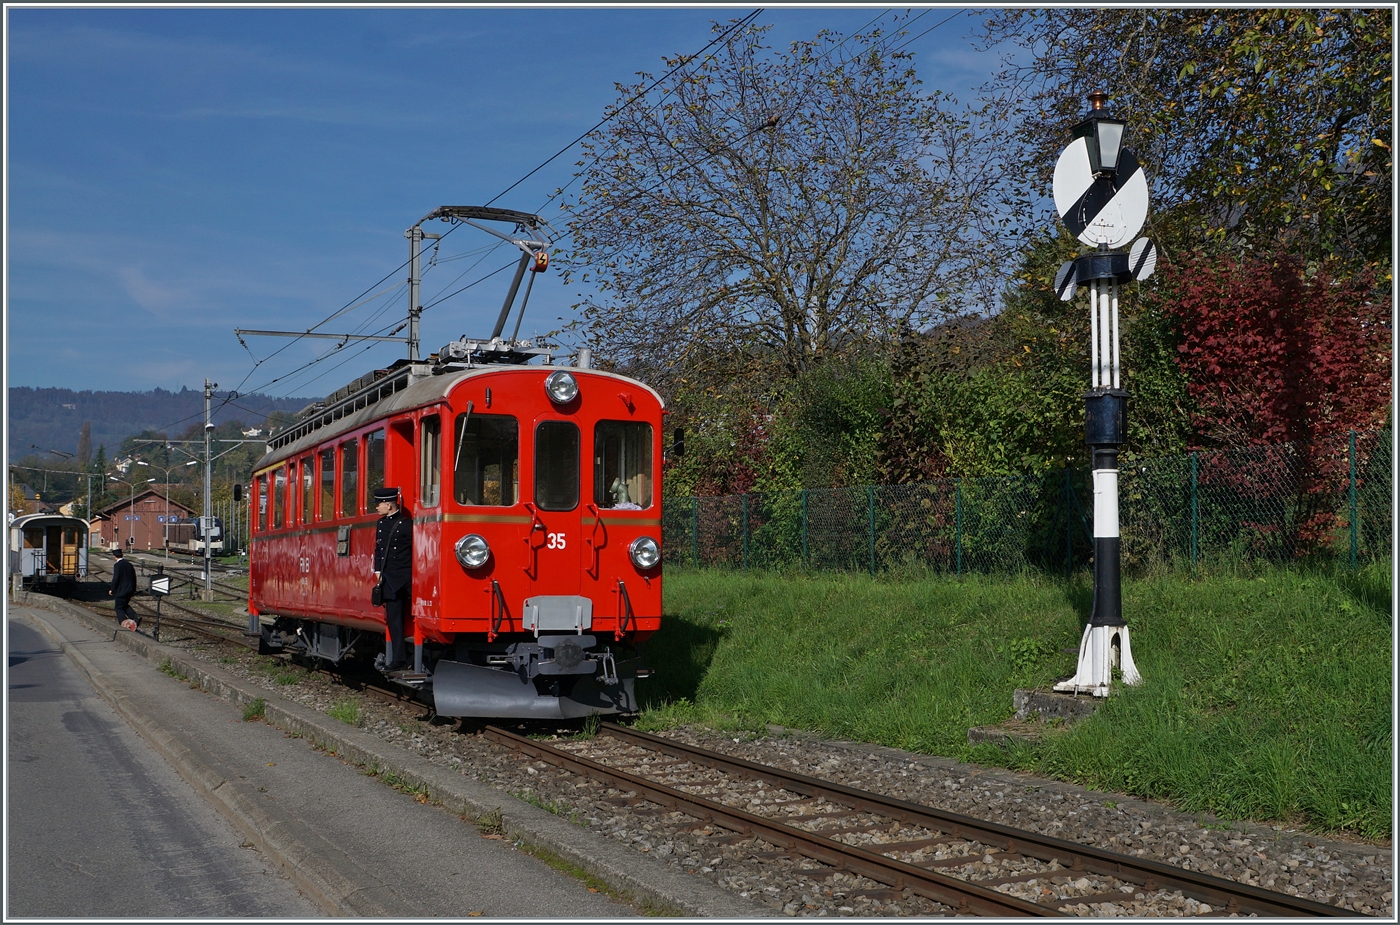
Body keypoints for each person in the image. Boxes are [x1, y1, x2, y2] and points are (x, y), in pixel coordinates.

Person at [372, 486, 412, 672]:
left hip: (406, 577)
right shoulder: (381, 524)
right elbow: (379, 551)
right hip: (389, 578)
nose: (376, 508)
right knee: (394, 620)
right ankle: (398, 658)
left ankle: (403, 656)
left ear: (388, 505)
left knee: (404, 618)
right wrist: (378, 571)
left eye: (378, 504)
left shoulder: (406, 524)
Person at [109, 547, 138, 631]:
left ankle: (124, 624)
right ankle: (135, 617)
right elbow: (134, 577)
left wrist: (112, 589)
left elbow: (116, 578)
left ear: (114, 556)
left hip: (121, 590)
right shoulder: (129, 564)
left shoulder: (117, 565)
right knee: (124, 605)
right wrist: (133, 589)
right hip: (130, 589)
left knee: (118, 608)